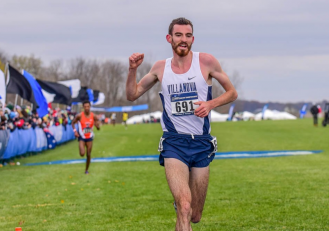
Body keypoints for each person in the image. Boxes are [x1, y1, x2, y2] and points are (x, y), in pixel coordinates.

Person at [126, 17, 238, 231]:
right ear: (170, 38)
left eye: (188, 35)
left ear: (193, 39)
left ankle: (182, 207)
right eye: (178, 35)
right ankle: (181, 203)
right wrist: (132, 70)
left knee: (194, 214)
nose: (183, 39)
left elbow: (232, 93)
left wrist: (211, 104)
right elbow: (132, 95)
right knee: (185, 206)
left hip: (201, 143)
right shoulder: (161, 67)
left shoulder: (206, 62)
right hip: (173, 143)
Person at [72, 100, 101, 174]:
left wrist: (97, 126)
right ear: (83, 107)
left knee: (88, 153)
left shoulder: (93, 115)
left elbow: (98, 123)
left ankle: (86, 170)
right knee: (82, 154)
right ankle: (86, 168)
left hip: (89, 137)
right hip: (82, 137)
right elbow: (73, 122)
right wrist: (75, 131)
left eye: (88, 106)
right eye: (85, 107)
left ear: (90, 107)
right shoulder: (79, 115)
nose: (87, 108)